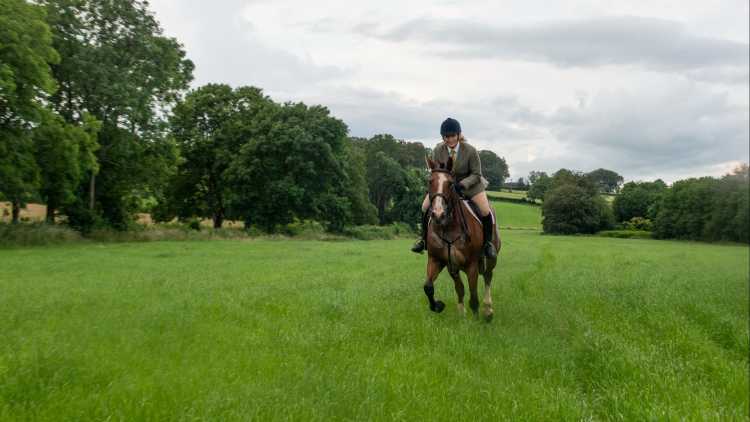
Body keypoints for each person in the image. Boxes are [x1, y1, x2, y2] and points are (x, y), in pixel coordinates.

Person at [411, 117, 497, 258]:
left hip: (471, 185)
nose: (449, 139)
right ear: (443, 137)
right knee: (424, 206)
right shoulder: (438, 149)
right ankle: (423, 240)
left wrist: (462, 184)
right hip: (446, 187)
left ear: (458, 135)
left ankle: (488, 244)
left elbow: (476, 174)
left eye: (452, 136)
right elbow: (437, 171)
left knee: (485, 210)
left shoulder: (470, 150)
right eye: (446, 136)